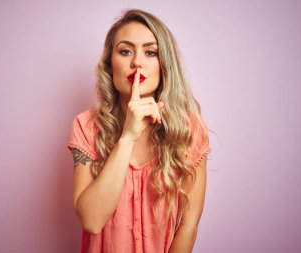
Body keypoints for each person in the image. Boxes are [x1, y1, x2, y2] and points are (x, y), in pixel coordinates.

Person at [67, 9, 211, 253]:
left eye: (150, 52)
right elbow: (91, 221)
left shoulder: (188, 128)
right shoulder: (86, 126)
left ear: (164, 64)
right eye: (125, 51)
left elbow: (189, 226)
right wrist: (127, 136)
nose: (137, 62)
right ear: (110, 65)